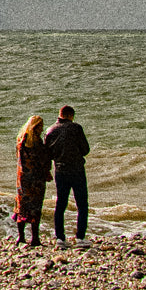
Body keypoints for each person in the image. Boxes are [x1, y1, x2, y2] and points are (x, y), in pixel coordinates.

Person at [45, 104, 90, 242]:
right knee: (82, 204)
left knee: (61, 204)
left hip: (60, 170)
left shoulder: (50, 130)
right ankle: (80, 237)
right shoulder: (76, 128)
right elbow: (85, 150)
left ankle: (60, 238)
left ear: (60, 114)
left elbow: (47, 153)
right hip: (76, 170)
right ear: (71, 116)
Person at [12, 114, 49, 246]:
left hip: (22, 179)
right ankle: (35, 238)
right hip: (36, 179)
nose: (42, 129)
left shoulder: (21, 140)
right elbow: (42, 160)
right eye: (40, 127)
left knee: (22, 207)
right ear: (36, 127)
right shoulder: (37, 142)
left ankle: (21, 237)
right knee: (35, 207)